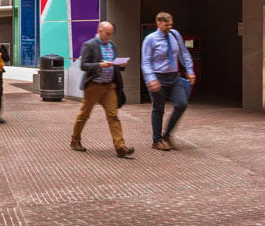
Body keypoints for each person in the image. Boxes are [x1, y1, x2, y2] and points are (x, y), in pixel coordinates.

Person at [70, 21, 134, 158]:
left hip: (109, 86)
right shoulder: (89, 45)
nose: (109, 37)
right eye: (107, 34)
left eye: (111, 34)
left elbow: (116, 64)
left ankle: (120, 147)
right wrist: (100, 65)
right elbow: (84, 66)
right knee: (84, 115)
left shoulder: (112, 45)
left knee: (113, 116)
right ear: (99, 30)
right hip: (94, 86)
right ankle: (75, 140)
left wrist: (121, 65)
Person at [141, 11, 195, 149]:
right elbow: (146, 62)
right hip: (158, 77)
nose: (169, 27)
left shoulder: (175, 35)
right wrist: (151, 79)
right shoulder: (150, 39)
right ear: (158, 23)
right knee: (158, 108)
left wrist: (189, 70)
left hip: (174, 76)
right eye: (166, 25)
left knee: (181, 104)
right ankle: (157, 140)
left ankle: (168, 134)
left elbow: (184, 53)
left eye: (171, 25)